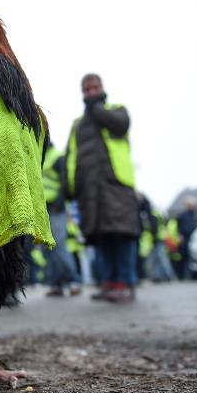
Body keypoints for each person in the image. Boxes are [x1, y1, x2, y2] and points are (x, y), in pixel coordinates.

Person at [65, 73, 140, 303]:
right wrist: (70, 188)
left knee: (122, 234)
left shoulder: (116, 110)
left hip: (116, 185)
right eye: (87, 89)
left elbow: (120, 126)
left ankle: (125, 283)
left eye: (94, 88)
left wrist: (97, 108)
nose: (91, 92)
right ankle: (108, 282)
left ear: (102, 88)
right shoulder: (78, 125)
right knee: (101, 236)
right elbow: (71, 157)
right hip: (90, 190)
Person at [41, 141, 81, 297]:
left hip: (56, 208)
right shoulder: (38, 156)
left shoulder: (57, 157)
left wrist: (59, 202)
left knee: (59, 245)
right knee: (48, 248)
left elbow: (65, 183)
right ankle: (56, 284)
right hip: (42, 209)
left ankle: (73, 281)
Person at [176, 197, 197, 280]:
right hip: (185, 238)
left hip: (193, 238)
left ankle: (193, 274)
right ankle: (183, 275)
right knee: (184, 257)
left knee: (192, 256)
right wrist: (180, 235)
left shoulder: (194, 214)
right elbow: (179, 227)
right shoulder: (182, 215)